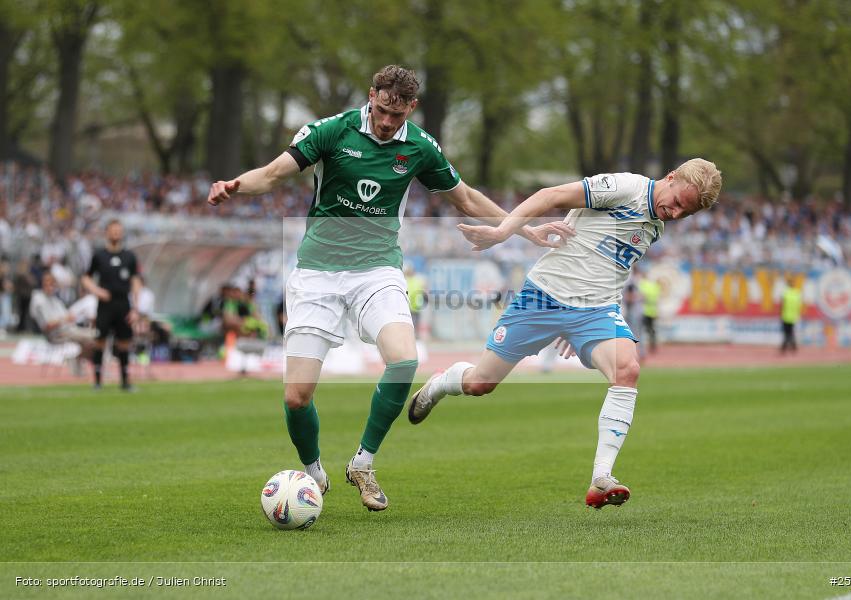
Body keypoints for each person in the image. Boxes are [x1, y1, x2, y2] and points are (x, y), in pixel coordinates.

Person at [207, 65, 570, 511]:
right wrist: (235, 185)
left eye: (396, 117)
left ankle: (363, 463)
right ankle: (315, 473)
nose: (386, 122)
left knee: (404, 360)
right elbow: (275, 173)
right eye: (381, 111)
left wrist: (522, 228)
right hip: (317, 272)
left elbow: (467, 197)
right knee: (296, 396)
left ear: (410, 109)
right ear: (371, 96)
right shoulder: (331, 131)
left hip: (376, 269)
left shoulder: (419, 146)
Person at [409, 158, 722, 510]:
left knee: (627, 370)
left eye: (687, 212)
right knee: (481, 383)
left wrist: (575, 326)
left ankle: (601, 478)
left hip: (595, 310)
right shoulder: (625, 188)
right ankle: (441, 382)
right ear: (670, 177)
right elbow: (550, 194)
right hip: (543, 296)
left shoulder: (655, 224)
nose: (676, 213)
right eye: (679, 202)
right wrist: (502, 232)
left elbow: (612, 270)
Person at [80, 220, 142, 391]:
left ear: (122, 233)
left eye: (118, 231)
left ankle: (125, 382)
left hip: (123, 303)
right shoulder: (99, 255)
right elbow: (85, 277)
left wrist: (136, 308)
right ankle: (98, 381)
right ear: (107, 233)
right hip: (105, 305)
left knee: (124, 343)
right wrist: (97, 291)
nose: (116, 233)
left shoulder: (129, 256)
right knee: (100, 341)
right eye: (113, 230)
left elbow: (136, 281)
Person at [29, 272, 96, 349]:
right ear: (42, 284)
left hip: (68, 329)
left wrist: (70, 318)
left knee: (94, 334)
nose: (50, 287)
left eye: (52, 284)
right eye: (47, 284)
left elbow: (68, 316)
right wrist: (64, 319)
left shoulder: (54, 299)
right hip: (57, 334)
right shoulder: (39, 300)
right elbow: (46, 326)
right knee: (93, 336)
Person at [638, 274, 661, 353]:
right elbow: (657, 300)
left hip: (644, 311)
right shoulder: (654, 286)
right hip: (652, 312)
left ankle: (641, 348)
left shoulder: (642, 285)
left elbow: (642, 297)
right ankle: (653, 345)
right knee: (651, 330)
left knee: (641, 330)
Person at [780, 276, 802, 354]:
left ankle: (784, 348)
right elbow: (799, 306)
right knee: (791, 332)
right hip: (793, 317)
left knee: (786, 333)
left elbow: (782, 305)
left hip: (786, 316)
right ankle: (793, 347)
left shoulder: (786, 293)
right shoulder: (797, 293)